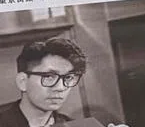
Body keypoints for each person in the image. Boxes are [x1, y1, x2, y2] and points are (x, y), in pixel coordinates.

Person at [0, 38, 128, 127]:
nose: (60, 88)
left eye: (68, 78)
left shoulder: (71, 125)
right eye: (49, 76)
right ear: (22, 81)